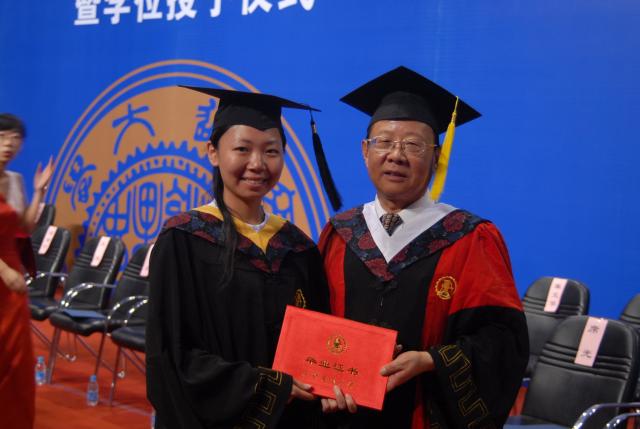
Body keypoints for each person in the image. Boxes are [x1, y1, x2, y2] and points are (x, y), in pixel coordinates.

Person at [318, 66, 528, 429]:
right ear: (365, 151)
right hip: (343, 417)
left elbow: (504, 342)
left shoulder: (469, 238)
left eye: (413, 145)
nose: (396, 155)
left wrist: (431, 361)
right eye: (384, 142)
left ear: (436, 157)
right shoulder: (339, 233)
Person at [146, 88, 330, 429]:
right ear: (213, 152)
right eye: (242, 149)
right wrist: (265, 387)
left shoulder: (297, 248)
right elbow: (170, 354)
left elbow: (319, 344)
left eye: (271, 151)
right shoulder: (184, 240)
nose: (257, 164)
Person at [0, 113, 53, 429]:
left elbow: (25, 227)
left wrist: (39, 192)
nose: (9, 144)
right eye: (2, 137)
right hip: (5, 273)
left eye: (15, 139)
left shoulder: (15, 181)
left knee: (15, 356)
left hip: (11, 283)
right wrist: (5, 271)